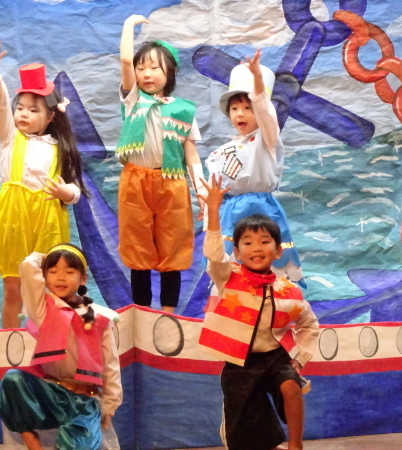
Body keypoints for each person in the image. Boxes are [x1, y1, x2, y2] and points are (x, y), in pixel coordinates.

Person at [198, 175, 319, 450]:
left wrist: (299, 358)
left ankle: (296, 445)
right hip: (239, 361)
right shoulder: (227, 277)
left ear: (278, 251)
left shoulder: (288, 290)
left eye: (264, 241)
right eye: (248, 243)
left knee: (290, 386)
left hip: (275, 357)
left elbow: (309, 324)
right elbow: (214, 255)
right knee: (246, 431)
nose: (256, 248)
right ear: (237, 252)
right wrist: (214, 212)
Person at [0, 38, 88, 328]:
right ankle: (11, 342)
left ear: (51, 116)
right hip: (13, 217)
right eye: (22, 108)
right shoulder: (9, 137)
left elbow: (75, 189)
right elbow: (0, 104)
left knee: (49, 289)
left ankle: (51, 344)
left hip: (48, 219)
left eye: (34, 109)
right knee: (13, 287)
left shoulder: (60, 148)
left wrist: (66, 193)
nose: (24, 114)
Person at [115, 15, 207, 314]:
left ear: (170, 72)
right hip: (135, 181)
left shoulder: (183, 110)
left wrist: (201, 189)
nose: (146, 73)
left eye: (154, 67)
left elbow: (190, 153)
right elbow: (125, 61)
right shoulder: (133, 100)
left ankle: (168, 315)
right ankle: (141, 314)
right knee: (137, 248)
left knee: (173, 247)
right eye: (141, 68)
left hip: (172, 182)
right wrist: (128, 25)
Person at [0, 244, 122, 450]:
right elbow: (28, 267)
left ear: (83, 279)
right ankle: (32, 442)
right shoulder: (43, 310)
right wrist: (48, 256)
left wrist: (110, 405)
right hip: (50, 393)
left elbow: (111, 364)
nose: (61, 278)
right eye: (53, 272)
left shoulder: (98, 317)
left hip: (84, 400)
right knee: (13, 379)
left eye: (69, 272)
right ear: (44, 276)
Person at [205, 49, 305, 287]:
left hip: (261, 208)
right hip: (230, 212)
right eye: (234, 109)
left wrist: (257, 82)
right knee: (232, 267)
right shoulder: (221, 152)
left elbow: (266, 113)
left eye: (247, 107)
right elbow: (213, 188)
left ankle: (274, 304)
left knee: (267, 263)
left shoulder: (266, 138)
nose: (240, 114)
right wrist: (209, 212)